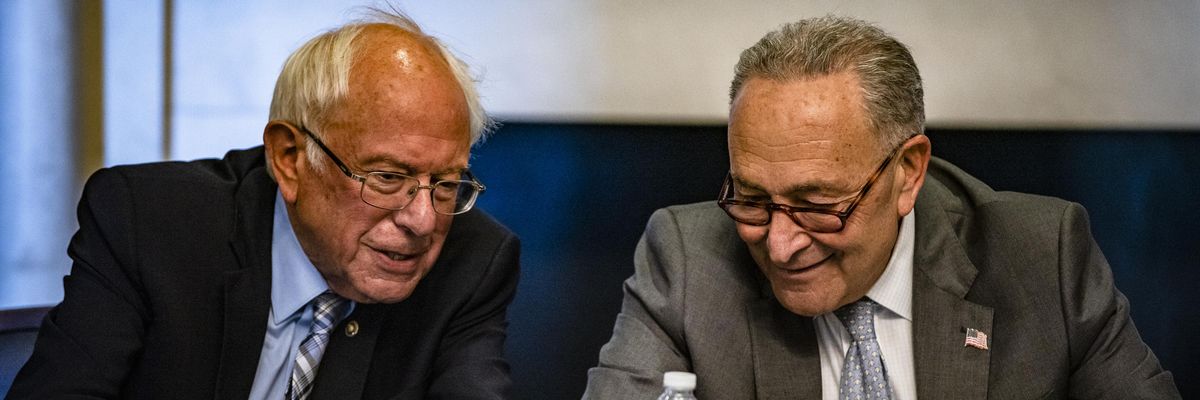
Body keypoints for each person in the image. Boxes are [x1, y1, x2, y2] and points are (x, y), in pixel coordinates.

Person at [584, 16, 1179, 399]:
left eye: (818, 204)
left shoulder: (1041, 257)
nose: (780, 243)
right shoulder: (687, 261)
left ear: (908, 172)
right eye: (754, 200)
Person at [9, 8, 519, 399]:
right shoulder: (151, 223)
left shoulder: (472, 260)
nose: (423, 218)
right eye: (387, 177)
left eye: (448, 182)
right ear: (290, 158)